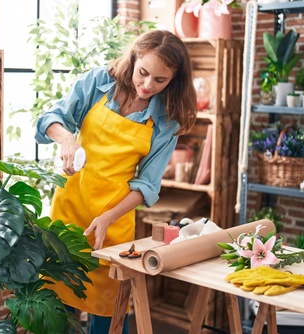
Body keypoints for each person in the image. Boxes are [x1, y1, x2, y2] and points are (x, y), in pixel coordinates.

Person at [34, 29, 197, 334]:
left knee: (108, 316)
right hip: (68, 207)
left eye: (160, 80)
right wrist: (67, 139)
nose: (147, 85)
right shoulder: (98, 83)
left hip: (112, 222)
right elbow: (49, 119)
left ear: (173, 79)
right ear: (133, 59)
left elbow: (147, 185)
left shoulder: (165, 121)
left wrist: (108, 217)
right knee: (56, 306)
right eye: (143, 73)